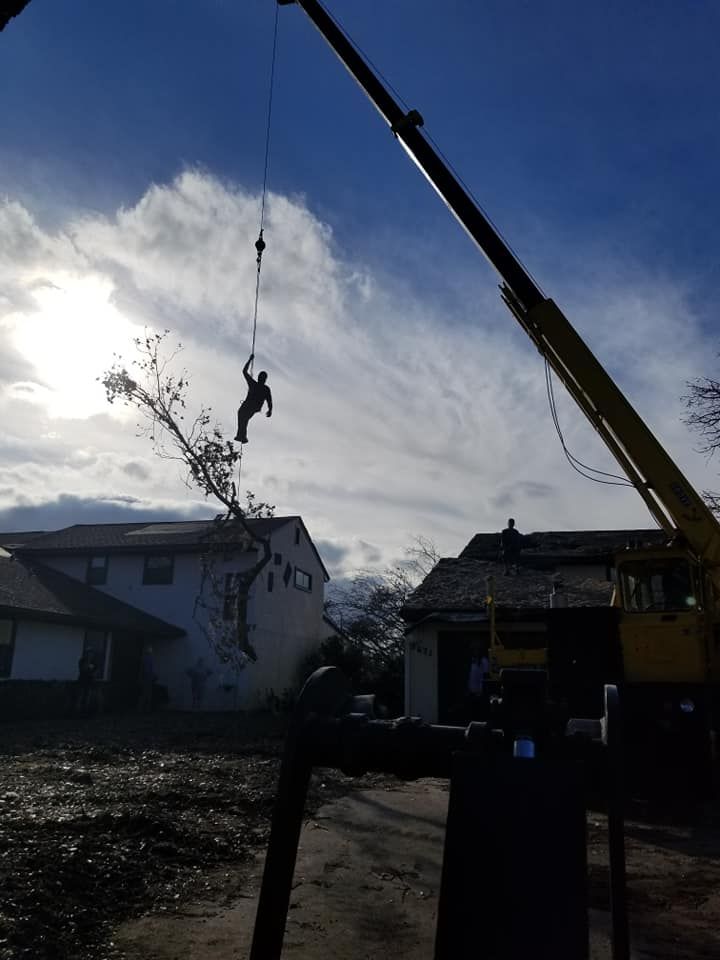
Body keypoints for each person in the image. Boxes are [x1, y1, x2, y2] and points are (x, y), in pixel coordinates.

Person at [234, 354, 272, 443]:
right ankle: (242, 436)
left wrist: (250, 360)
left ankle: (242, 436)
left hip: (252, 406)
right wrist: (270, 410)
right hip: (252, 406)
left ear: (262, 379)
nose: (260, 378)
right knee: (243, 417)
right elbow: (269, 401)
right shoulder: (259, 386)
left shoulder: (258, 386)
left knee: (243, 416)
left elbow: (269, 400)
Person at [76, 650, 96, 715]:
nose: (90, 655)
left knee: (88, 697)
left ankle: (85, 712)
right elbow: (82, 669)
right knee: (80, 697)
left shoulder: (93, 662)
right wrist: (88, 665)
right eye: (89, 654)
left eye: (91, 654)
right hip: (82, 681)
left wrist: (92, 673)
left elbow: (95, 671)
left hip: (90, 682)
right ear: (86, 654)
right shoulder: (82, 661)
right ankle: (77, 712)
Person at [138, 644, 155, 712]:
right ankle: (142, 709)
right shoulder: (146, 659)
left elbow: (149, 669)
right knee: (145, 694)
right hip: (146, 678)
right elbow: (144, 669)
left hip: (148, 678)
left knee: (146, 694)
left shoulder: (148, 659)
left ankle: (145, 709)